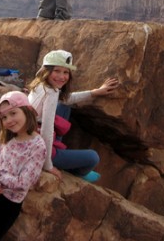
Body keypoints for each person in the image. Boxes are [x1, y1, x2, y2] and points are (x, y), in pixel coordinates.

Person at [28, 49, 119, 182]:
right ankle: (78, 172)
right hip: (40, 149)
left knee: (64, 106)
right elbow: (46, 131)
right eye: (57, 71)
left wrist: (94, 92)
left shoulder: (41, 85)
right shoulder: (50, 93)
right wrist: (48, 166)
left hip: (35, 136)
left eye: (66, 72)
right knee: (93, 157)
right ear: (46, 71)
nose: (62, 76)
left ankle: (58, 146)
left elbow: (65, 99)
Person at [0, 91, 46, 241]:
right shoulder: (5, 137)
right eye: (4, 117)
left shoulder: (37, 146)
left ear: (26, 110)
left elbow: (23, 183)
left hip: (6, 206)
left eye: (13, 113)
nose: (9, 120)